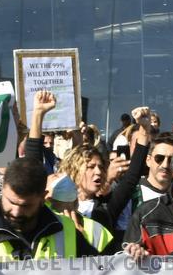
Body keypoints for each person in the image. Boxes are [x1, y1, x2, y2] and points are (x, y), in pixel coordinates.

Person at [30, 92, 151, 235]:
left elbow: (132, 176)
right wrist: (38, 114)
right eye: (91, 167)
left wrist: (144, 129)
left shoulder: (105, 209)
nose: (99, 172)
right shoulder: (49, 205)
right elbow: (32, 166)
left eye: (100, 166)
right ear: (73, 170)